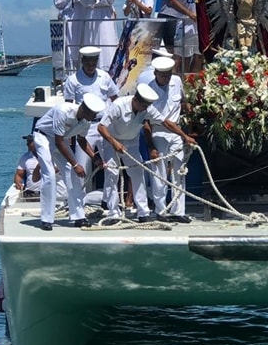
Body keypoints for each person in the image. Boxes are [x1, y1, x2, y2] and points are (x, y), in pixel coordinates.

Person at [97, 83, 196, 224]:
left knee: (138, 174)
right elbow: (101, 127)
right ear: (136, 100)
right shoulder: (118, 105)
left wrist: (184, 136)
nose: (145, 109)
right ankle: (114, 213)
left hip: (131, 142)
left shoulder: (146, 109)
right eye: (143, 106)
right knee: (112, 175)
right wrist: (114, 143)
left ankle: (143, 212)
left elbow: (166, 123)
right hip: (111, 140)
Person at [63, 46, 119, 193]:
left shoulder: (105, 77)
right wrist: (70, 132)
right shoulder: (73, 80)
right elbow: (68, 107)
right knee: (82, 164)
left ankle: (109, 203)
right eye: (88, 63)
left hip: (104, 124)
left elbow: (115, 99)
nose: (90, 66)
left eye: (93, 63)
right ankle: (78, 202)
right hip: (85, 126)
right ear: (82, 61)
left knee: (111, 165)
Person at [49, 93, 107, 227]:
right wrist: (75, 164)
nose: (94, 118)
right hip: (46, 139)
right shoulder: (63, 110)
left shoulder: (85, 123)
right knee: (49, 176)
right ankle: (47, 218)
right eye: (93, 114)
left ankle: (78, 217)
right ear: (85, 110)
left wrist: (95, 157)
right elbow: (58, 141)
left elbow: (81, 140)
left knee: (73, 177)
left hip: (61, 142)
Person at [145, 55, 191, 222]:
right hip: (159, 132)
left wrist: (188, 124)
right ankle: (161, 210)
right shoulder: (148, 90)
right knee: (159, 174)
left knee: (179, 172)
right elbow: (146, 123)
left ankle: (179, 211)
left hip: (177, 132)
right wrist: (151, 147)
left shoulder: (177, 81)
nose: (166, 78)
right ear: (155, 73)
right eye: (163, 75)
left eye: (168, 74)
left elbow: (183, 101)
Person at [54, 0, 86, 71]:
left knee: (82, 44)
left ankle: (82, 71)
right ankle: (68, 73)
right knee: (68, 47)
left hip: (82, 16)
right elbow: (57, 2)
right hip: (67, 17)